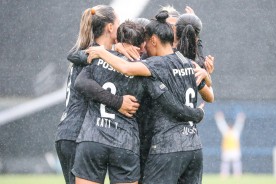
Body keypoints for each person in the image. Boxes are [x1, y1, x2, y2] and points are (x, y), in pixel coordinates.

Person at [86, 10, 208, 184]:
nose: (143, 47)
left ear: (152, 40)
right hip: (193, 146)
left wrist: (105, 52)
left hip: (166, 145)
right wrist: (206, 76)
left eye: (145, 42)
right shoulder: (186, 62)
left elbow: (127, 69)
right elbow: (210, 95)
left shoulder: (154, 64)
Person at [55, 7, 138, 184]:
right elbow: (84, 83)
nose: (120, 26)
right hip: (77, 134)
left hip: (74, 133)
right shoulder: (93, 55)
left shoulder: (94, 53)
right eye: (118, 22)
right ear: (109, 27)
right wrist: (118, 102)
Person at [214, 111, 246, 177]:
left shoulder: (235, 132)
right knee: (225, 164)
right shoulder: (226, 132)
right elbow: (222, 125)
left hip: (235, 150)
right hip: (227, 150)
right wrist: (219, 118)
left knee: (236, 163)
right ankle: (224, 174)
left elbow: (239, 125)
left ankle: (237, 174)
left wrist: (241, 118)